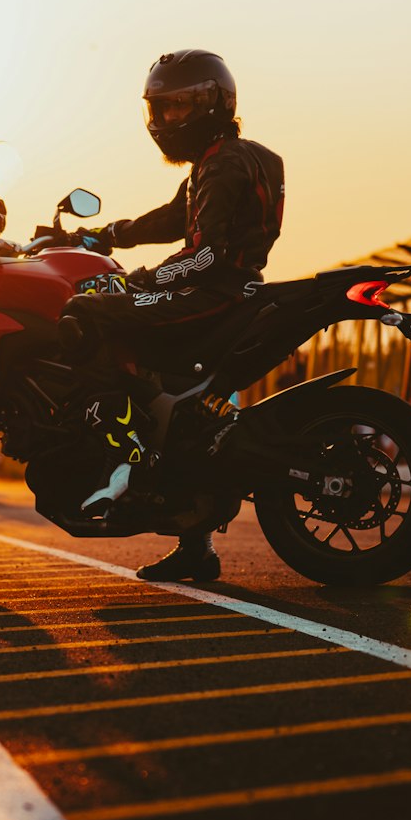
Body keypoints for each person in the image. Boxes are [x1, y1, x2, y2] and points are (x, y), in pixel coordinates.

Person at [62, 49, 284, 582]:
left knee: (87, 311)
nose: (167, 121)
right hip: (233, 289)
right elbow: (175, 217)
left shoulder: (223, 163)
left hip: (213, 292)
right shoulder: (223, 158)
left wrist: (143, 279)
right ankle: (194, 540)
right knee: (163, 378)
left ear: (213, 102)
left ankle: (126, 456)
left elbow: (204, 253)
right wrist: (109, 233)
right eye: (160, 109)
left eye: (179, 107)